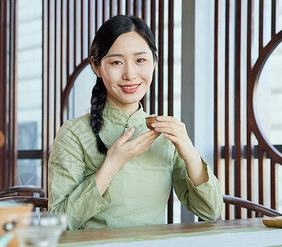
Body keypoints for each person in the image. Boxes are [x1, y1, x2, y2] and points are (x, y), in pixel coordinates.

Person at [47, 15, 223, 230]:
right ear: (97, 66)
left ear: (154, 62)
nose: (130, 74)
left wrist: (188, 150)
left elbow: (211, 210)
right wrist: (111, 165)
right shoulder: (73, 133)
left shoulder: (165, 131)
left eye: (140, 60)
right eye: (116, 62)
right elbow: (58, 224)